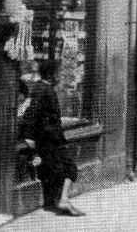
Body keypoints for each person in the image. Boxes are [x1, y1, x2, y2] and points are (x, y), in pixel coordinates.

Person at [19, 60, 83, 216]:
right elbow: (30, 114)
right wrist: (28, 136)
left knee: (62, 168)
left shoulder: (44, 88)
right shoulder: (43, 89)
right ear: (52, 74)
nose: (60, 76)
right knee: (68, 167)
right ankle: (63, 200)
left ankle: (62, 199)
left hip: (52, 138)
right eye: (58, 72)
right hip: (48, 139)